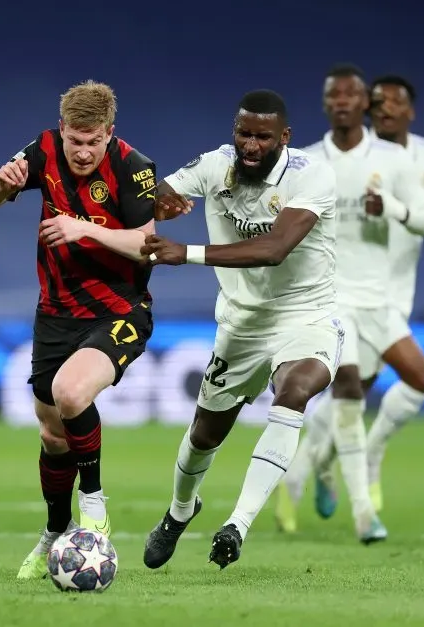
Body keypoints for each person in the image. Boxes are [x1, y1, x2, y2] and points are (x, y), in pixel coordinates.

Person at [139, 89, 342, 570]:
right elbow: (154, 195)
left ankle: (238, 524)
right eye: (243, 133)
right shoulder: (216, 166)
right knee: (204, 436)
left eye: (262, 137)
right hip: (242, 324)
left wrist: (184, 252)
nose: (250, 145)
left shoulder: (311, 175)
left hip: (307, 315)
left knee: (294, 392)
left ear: (284, 137)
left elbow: (274, 248)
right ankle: (180, 510)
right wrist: (156, 205)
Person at [0, 80, 158, 578]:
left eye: (93, 141)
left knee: (71, 393)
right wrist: (1, 186)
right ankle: (55, 531)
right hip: (55, 314)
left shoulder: (134, 168)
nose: (83, 151)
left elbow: (147, 246)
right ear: (62, 130)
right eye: (75, 140)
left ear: (109, 133)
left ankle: (94, 503)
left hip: (120, 311)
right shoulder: (44, 150)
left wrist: (84, 227)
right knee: (53, 435)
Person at [293, 72, 424, 520]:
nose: (385, 109)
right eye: (377, 102)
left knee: (368, 389)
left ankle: (329, 461)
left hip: (395, 292)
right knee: (354, 388)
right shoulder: (348, 157)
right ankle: (326, 472)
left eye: (394, 102)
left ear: (410, 111)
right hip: (349, 291)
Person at [274, 64, 424, 542]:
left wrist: (392, 208)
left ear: (366, 103)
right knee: (348, 389)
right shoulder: (303, 161)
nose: (342, 100)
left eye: (351, 94)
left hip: (378, 300)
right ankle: (365, 514)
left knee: (421, 377)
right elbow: (278, 226)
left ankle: (318, 464)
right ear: (326, 104)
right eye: (333, 94)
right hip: (330, 297)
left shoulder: (393, 158)